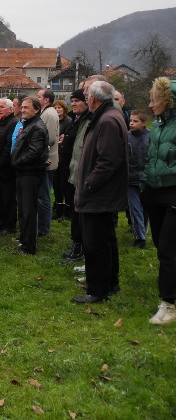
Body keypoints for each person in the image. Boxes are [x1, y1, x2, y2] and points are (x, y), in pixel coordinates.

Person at [72, 80, 128, 304]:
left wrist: (89, 184)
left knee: (95, 243)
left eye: (86, 95)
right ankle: (109, 283)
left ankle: (97, 290)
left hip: (99, 194)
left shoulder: (106, 120)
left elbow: (108, 160)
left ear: (93, 99)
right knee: (105, 240)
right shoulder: (108, 116)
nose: (85, 98)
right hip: (102, 193)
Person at [142, 77, 176, 325]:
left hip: (173, 192)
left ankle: (169, 304)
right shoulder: (157, 125)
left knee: (167, 249)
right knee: (159, 244)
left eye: (154, 100)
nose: (151, 105)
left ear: (168, 101)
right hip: (154, 191)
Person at [11, 97, 48, 255]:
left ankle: (29, 246)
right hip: (23, 172)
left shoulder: (37, 127)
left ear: (36, 109)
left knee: (28, 210)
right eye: (23, 107)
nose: (23, 110)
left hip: (30, 173)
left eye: (27, 108)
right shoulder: (29, 124)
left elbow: (34, 152)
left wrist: (17, 162)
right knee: (23, 208)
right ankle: (24, 239)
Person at [61, 89, 92, 263]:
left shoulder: (88, 120)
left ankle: (79, 246)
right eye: (71, 101)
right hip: (69, 170)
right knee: (74, 209)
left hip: (79, 172)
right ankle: (77, 243)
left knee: (78, 212)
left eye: (77, 101)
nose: (73, 104)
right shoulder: (76, 120)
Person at [0, 98, 19, 234]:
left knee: (8, 197)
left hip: (5, 168)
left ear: (11, 109)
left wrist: (0, 163)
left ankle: (9, 224)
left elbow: (8, 146)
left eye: (2, 107)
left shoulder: (13, 123)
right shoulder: (2, 123)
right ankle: (0, 220)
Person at [37, 89, 59, 237]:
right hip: (44, 158)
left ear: (46, 100)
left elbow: (49, 138)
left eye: (39, 96)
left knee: (44, 195)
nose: (36, 98)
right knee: (41, 194)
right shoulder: (45, 112)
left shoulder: (49, 114)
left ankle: (43, 228)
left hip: (47, 159)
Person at [127, 110, 149, 249]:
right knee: (135, 209)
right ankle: (140, 237)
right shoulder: (126, 137)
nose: (131, 123)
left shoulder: (150, 137)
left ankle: (143, 231)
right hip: (130, 179)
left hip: (147, 179)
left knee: (145, 208)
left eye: (135, 121)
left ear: (144, 123)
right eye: (130, 121)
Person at [52, 99, 73, 219]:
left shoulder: (68, 122)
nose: (57, 110)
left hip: (64, 156)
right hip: (55, 154)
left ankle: (67, 210)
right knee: (56, 185)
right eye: (55, 108)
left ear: (64, 109)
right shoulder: (54, 121)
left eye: (59, 108)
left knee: (64, 184)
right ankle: (58, 208)